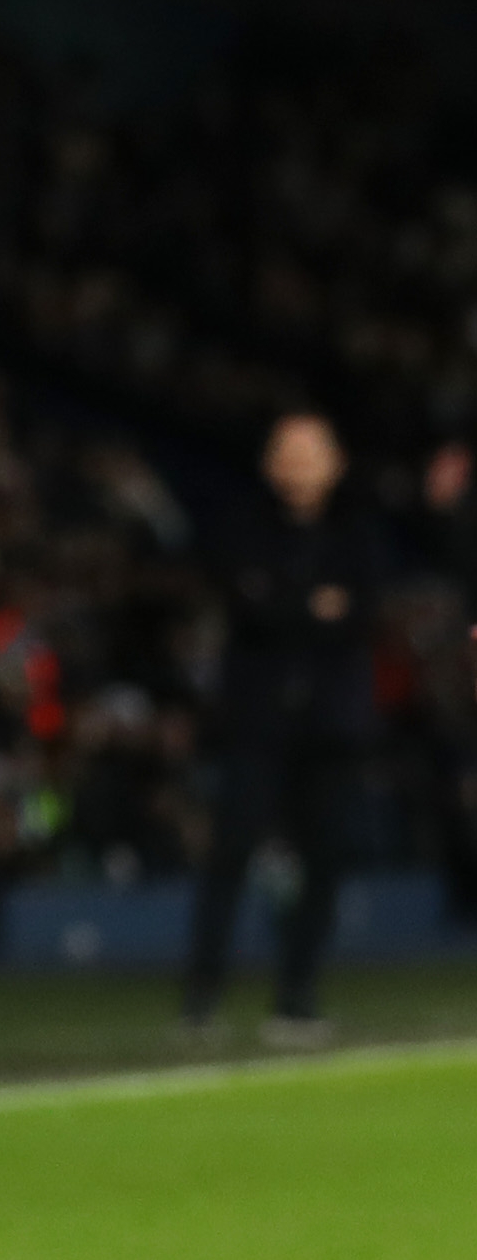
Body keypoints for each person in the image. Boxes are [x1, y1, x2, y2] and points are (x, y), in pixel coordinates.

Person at [181, 412, 390, 1044]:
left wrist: (287, 603)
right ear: (269, 462)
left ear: (336, 462)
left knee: (325, 858)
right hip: (257, 720)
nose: (298, 464)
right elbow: (247, 604)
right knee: (230, 853)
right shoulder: (242, 527)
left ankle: (297, 998)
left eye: (311, 452)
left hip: (331, 725)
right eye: (287, 452)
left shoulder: (359, 534)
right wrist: (315, 605)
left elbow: (363, 615)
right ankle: (201, 1000)